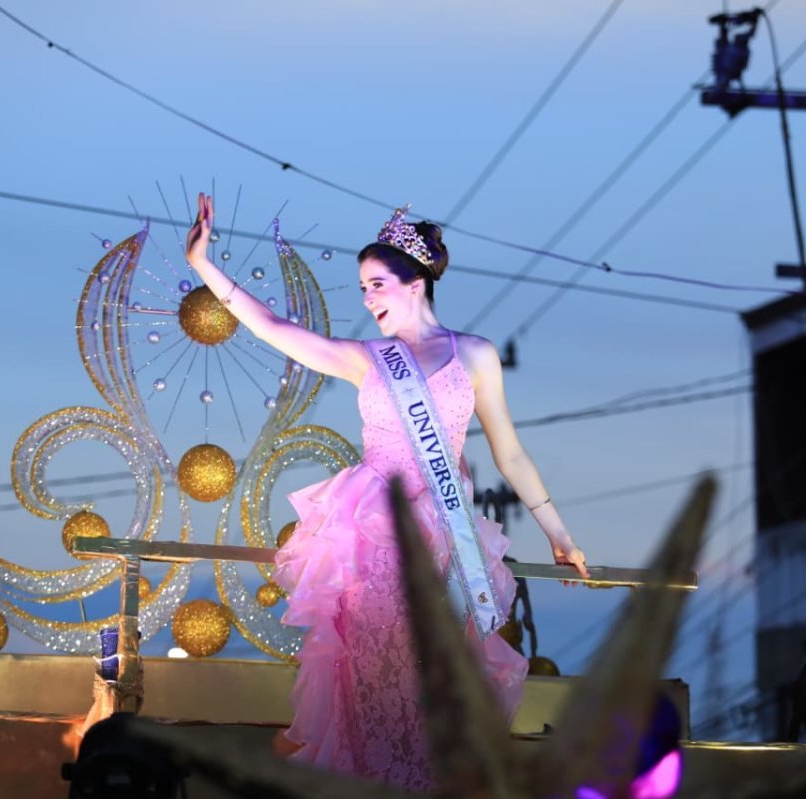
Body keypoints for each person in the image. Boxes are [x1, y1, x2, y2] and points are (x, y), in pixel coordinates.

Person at [185, 193, 588, 789]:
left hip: (445, 538)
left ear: (415, 283)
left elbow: (509, 451)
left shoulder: (474, 355)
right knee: (374, 687)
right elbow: (274, 329)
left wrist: (559, 535)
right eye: (363, 288)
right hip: (373, 536)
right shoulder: (366, 359)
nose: (368, 298)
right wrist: (203, 266)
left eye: (376, 284)